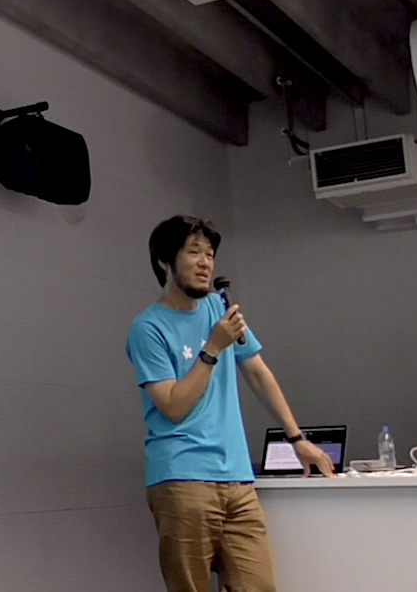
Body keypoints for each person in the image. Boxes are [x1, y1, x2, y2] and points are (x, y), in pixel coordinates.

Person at [126, 215, 335, 592]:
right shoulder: (148, 328)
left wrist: (296, 439)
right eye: (193, 252)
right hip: (183, 478)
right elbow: (173, 407)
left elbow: (257, 373)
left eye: (210, 254)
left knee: (259, 584)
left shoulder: (218, 309)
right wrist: (213, 347)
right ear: (164, 262)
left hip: (238, 480)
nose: (205, 263)